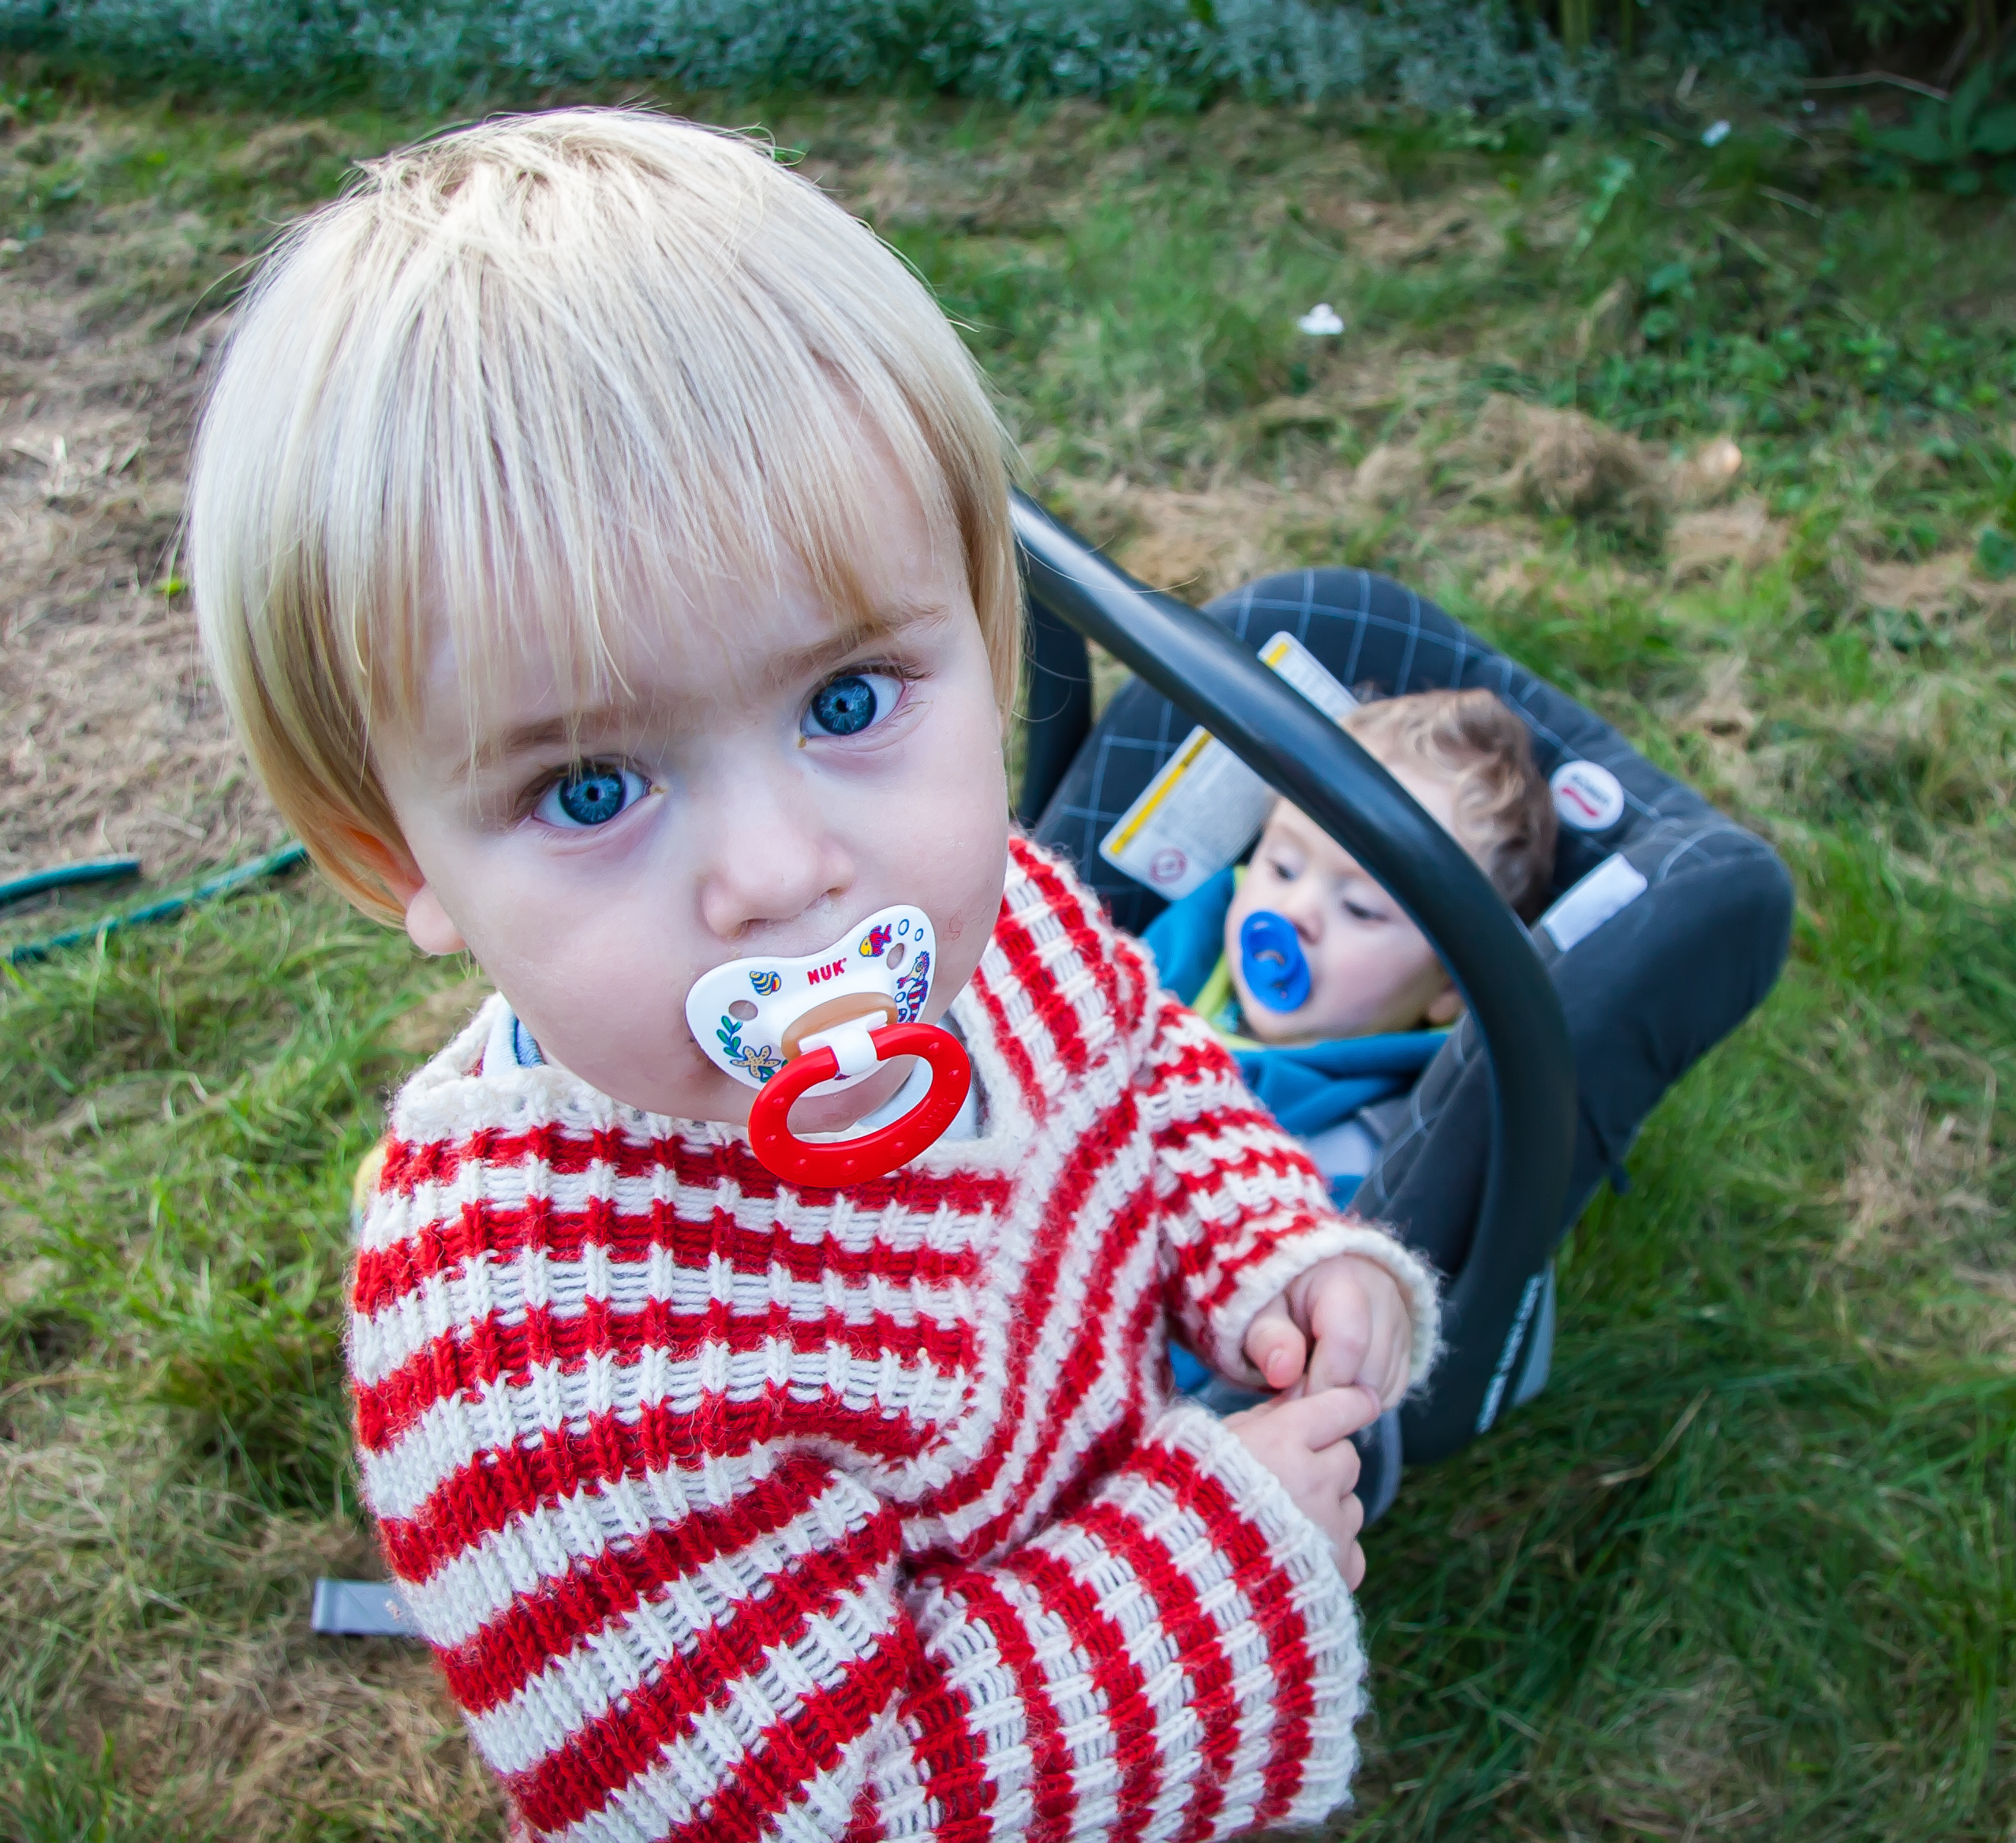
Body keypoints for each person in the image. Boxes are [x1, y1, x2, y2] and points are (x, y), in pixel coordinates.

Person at [184, 109, 1439, 1843]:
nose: (781, 874)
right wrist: (1213, 1560)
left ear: (980, 639)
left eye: (846, 701)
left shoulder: (998, 927)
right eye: (589, 788)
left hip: (1091, 1557)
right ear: (392, 853)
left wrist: (1271, 1249)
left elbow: (1146, 1067)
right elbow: (808, 1810)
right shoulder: (539, 1367)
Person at [1141, 689, 1556, 1203]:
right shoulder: (1184, 949)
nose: (1293, 911)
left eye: (1360, 908)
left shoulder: (1378, 1143)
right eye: (1283, 867)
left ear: (1449, 986)